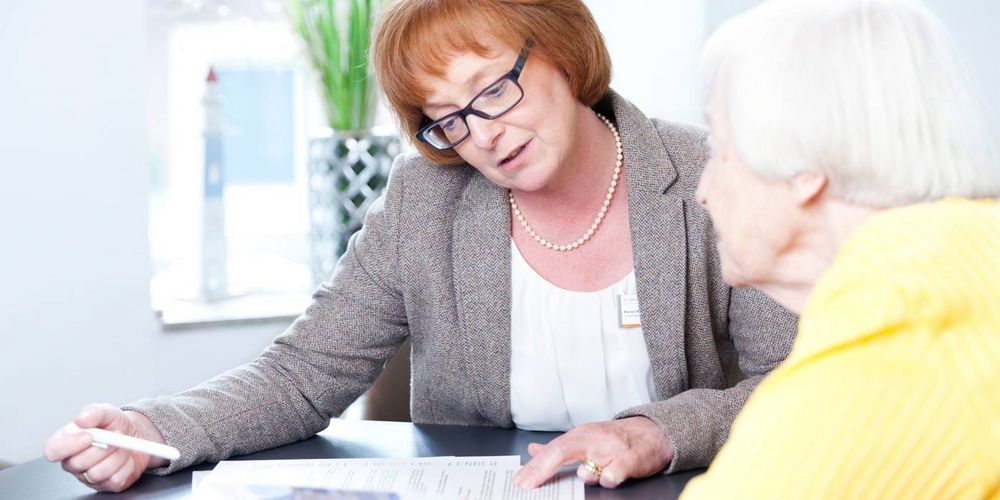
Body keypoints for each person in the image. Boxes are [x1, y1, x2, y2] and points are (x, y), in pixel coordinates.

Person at [44, 0, 796, 493]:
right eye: (449, 119)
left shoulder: (707, 173)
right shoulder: (425, 197)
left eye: (493, 89)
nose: (483, 134)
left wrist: (656, 433)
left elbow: (794, 383)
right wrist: (154, 428)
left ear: (564, 53)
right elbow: (305, 375)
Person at [683, 0, 1000, 498]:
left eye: (720, 153)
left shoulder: (897, 321)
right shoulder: (968, 256)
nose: (703, 190)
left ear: (805, 168)